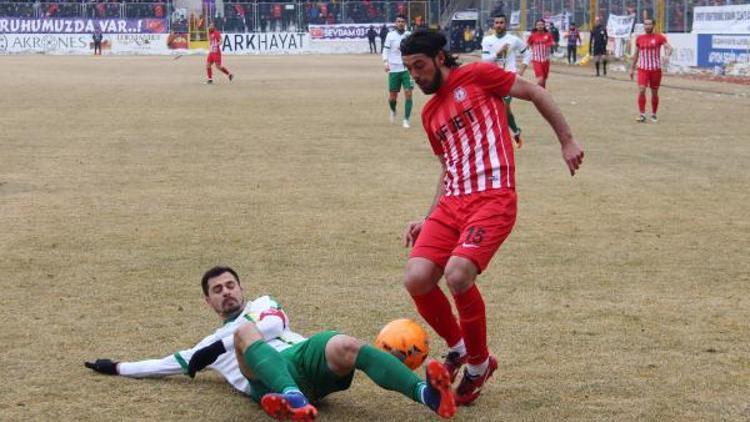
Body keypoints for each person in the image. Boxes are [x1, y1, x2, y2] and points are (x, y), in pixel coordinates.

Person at [400, 29, 584, 406]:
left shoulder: (479, 75)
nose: (415, 76)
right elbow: (447, 166)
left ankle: (479, 366)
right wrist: (430, 214)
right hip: (452, 203)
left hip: (493, 199)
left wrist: (567, 140)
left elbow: (535, 92)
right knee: (417, 278)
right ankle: (459, 348)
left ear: (439, 57)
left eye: (419, 66)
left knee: (456, 274)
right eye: (408, 69)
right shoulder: (429, 113)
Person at [85, 266, 457, 420]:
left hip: (300, 359)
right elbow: (162, 364)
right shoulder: (209, 342)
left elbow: (276, 324)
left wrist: (219, 348)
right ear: (209, 302)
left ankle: (428, 394)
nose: (226, 292)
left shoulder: (264, 305)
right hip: (264, 383)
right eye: (217, 290)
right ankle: (293, 400)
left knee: (345, 344)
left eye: (231, 285)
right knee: (241, 334)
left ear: (241, 288)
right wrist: (116, 367)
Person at [481, 13, 530, 148]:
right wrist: (498, 53)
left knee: (504, 106)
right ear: (493, 25)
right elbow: (485, 60)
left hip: (508, 77)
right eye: (497, 23)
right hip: (492, 78)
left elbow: (527, 53)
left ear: (506, 24)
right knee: (498, 108)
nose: (499, 25)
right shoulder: (487, 40)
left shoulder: (513, 40)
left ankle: (500, 137)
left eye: (501, 22)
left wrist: (521, 70)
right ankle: (515, 130)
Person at [630, 18, 672, 122]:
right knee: (642, 89)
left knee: (654, 93)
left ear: (653, 25)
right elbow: (636, 54)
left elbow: (669, 48)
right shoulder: (639, 38)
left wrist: (667, 55)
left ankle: (654, 114)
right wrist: (632, 68)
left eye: (649, 24)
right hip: (643, 69)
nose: (647, 26)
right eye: (645, 24)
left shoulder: (659, 37)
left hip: (655, 70)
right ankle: (642, 114)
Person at [382, 15, 413, 128]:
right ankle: (393, 109)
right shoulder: (390, 35)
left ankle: (406, 119)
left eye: (402, 21)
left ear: (405, 23)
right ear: (396, 23)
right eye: (398, 21)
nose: (400, 23)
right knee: (392, 97)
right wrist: (386, 62)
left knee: (408, 94)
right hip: (394, 69)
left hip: (407, 69)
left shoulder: (409, 35)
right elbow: (385, 50)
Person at [526, 19, 554, 87]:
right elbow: (528, 44)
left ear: (544, 26)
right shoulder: (532, 36)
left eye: (541, 24)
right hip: (536, 60)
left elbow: (552, 43)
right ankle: (535, 92)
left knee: (544, 80)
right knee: (540, 79)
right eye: (538, 25)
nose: (540, 26)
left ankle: (542, 94)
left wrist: (551, 44)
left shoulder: (548, 35)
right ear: (536, 26)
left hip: (546, 60)